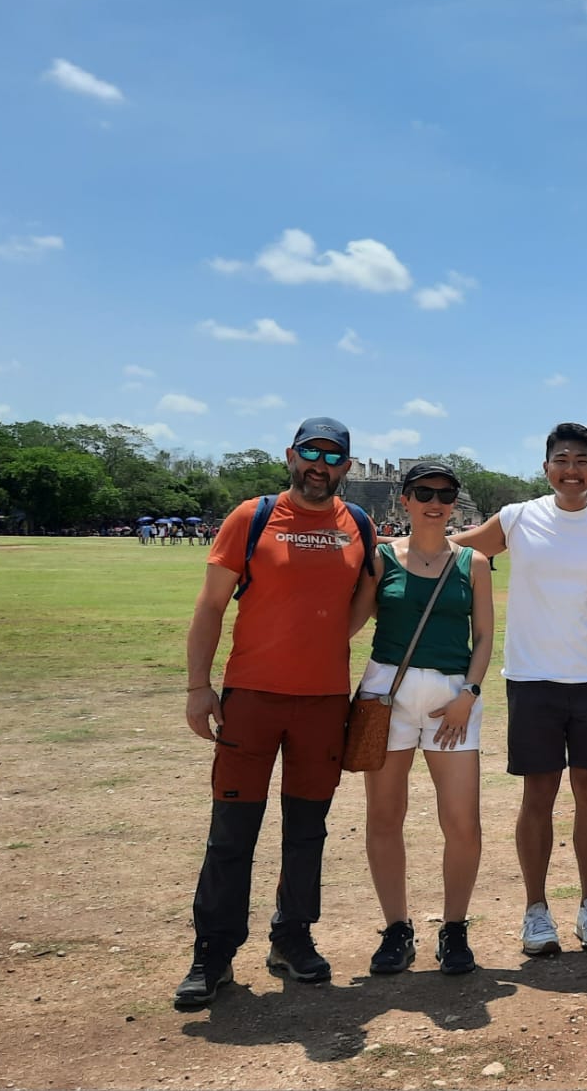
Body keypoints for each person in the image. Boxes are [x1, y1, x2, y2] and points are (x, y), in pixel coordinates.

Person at [174, 418, 373, 1010]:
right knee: (232, 832)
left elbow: (365, 597)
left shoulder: (356, 524)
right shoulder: (252, 516)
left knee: (306, 830)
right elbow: (210, 606)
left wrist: (328, 637)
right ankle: (213, 952)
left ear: (346, 466)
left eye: (333, 456)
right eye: (310, 453)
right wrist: (196, 686)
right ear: (291, 455)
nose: (320, 465)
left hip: (321, 702)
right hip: (253, 698)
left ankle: (292, 937)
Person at [452, 423, 587, 956]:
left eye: (582, 460)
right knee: (538, 797)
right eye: (562, 460)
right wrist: (392, 547)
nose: (571, 469)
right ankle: (536, 909)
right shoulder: (517, 518)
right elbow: (456, 554)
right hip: (533, 680)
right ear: (546, 467)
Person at [349, 462, 493, 976]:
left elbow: (484, 638)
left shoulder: (473, 563)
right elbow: (351, 623)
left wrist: (469, 693)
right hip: (387, 695)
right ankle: (396, 928)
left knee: (462, 823)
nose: (436, 502)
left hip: (453, 699)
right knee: (385, 817)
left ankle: (454, 927)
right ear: (404, 500)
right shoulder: (381, 559)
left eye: (446, 494)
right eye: (424, 493)